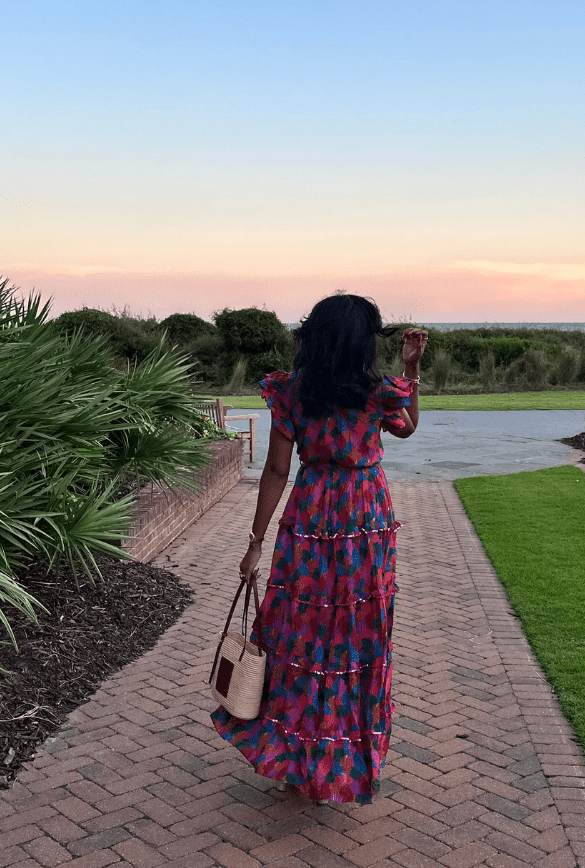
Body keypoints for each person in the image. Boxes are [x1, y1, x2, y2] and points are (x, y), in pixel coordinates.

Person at [211, 294, 428, 804]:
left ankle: (296, 758)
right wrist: (411, 373)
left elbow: (277, 471)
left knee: (298, 639)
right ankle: (342, 758)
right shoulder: (375, 393)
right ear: (360, 341)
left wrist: (255, 543)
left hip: (309, 523)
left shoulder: (293, 393)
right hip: (364, 525)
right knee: (355, 641)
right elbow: (409, 428)